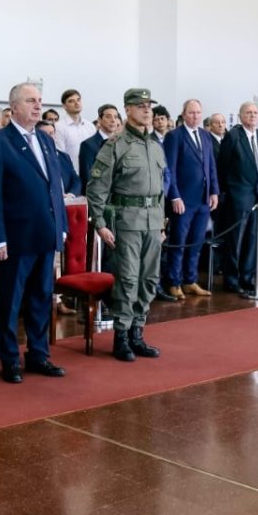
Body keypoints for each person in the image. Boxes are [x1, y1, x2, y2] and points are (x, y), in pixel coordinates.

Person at [0, 83, 68, 383]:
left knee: (42, 297)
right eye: (31, 101)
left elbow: (55, 186)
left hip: (46, 233)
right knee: (11, 300)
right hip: (15, 237)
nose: (37, 106)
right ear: (14, 107)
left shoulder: (44, 140)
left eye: (40, 101)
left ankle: (38, 354)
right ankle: (8, 358)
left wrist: (62, 227)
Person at [86, 88, 168, 361]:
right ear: (127, 109)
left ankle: (138, 334)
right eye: (140, 105)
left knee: (149, 279)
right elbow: (96, 188)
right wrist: (100, 223)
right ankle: (121, 337)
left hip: (153, 222)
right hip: (127, 222)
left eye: (149, 106)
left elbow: (160, 191)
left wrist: (162, 224)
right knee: (128, 280)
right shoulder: (115, 145)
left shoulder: (155, 146)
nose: (147, 110)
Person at [162, 99, 218, 299]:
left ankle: (190, 280)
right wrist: (174, 196)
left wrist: (214, 191)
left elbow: (210, 166)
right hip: (183, 200)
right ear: (184, 114)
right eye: (191, 112)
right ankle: (174, 282)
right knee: (179, 242)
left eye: (198, 113)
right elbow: (170, 169)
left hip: (203, 199)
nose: (195, 116)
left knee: (196, 243)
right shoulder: (174, 136)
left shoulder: (205, 135)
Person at [217, 102, 258, 297]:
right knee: (235, 241)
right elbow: (222, 167)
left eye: (256, 112)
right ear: (240, 116)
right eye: (248, 112)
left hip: (257, 199)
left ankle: (247, 279)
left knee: (252, 240)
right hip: (237, 197)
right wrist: (226, 193)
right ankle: (232, 280)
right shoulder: (233, 137)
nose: (253, 115)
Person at [79, 104, 119, 190]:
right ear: (99, 120)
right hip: (99, 195)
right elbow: (87, 177)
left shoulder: (121, 143)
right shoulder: (88, 144)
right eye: (108, 117)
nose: (113, 120)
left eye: (115, 117)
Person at [54, 89, 95, 171]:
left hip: (91, 175)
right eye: (71, 101)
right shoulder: (59, 127)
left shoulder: (90, 126)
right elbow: (61, 156)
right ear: (64, 106)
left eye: (78, 100)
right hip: (72, 175)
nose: (77, 103)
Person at [37, 119, 80, 196]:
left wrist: (71, 194)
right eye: (44, 134)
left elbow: (76, 180)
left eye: (51, 133)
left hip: (67, 200)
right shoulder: (35, 157)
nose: (49, 137)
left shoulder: (64, 157)